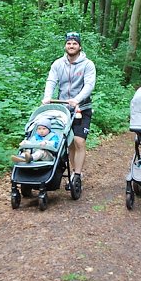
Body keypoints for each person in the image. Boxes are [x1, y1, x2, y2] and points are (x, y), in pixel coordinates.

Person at [43, 31, 96, 185]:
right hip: (63, 109)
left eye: (74, 43)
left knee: (79, 141)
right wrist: (47, 97)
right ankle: (73, 171)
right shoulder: (58, 64)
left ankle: (77, 175)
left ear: (79, 46)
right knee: (69, 143)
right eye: (69, 43)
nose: (71, 46)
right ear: (65, 45)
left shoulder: (88, 64)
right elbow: (51, 81)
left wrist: (77, 99)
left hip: (82, 108)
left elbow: (89, 85)